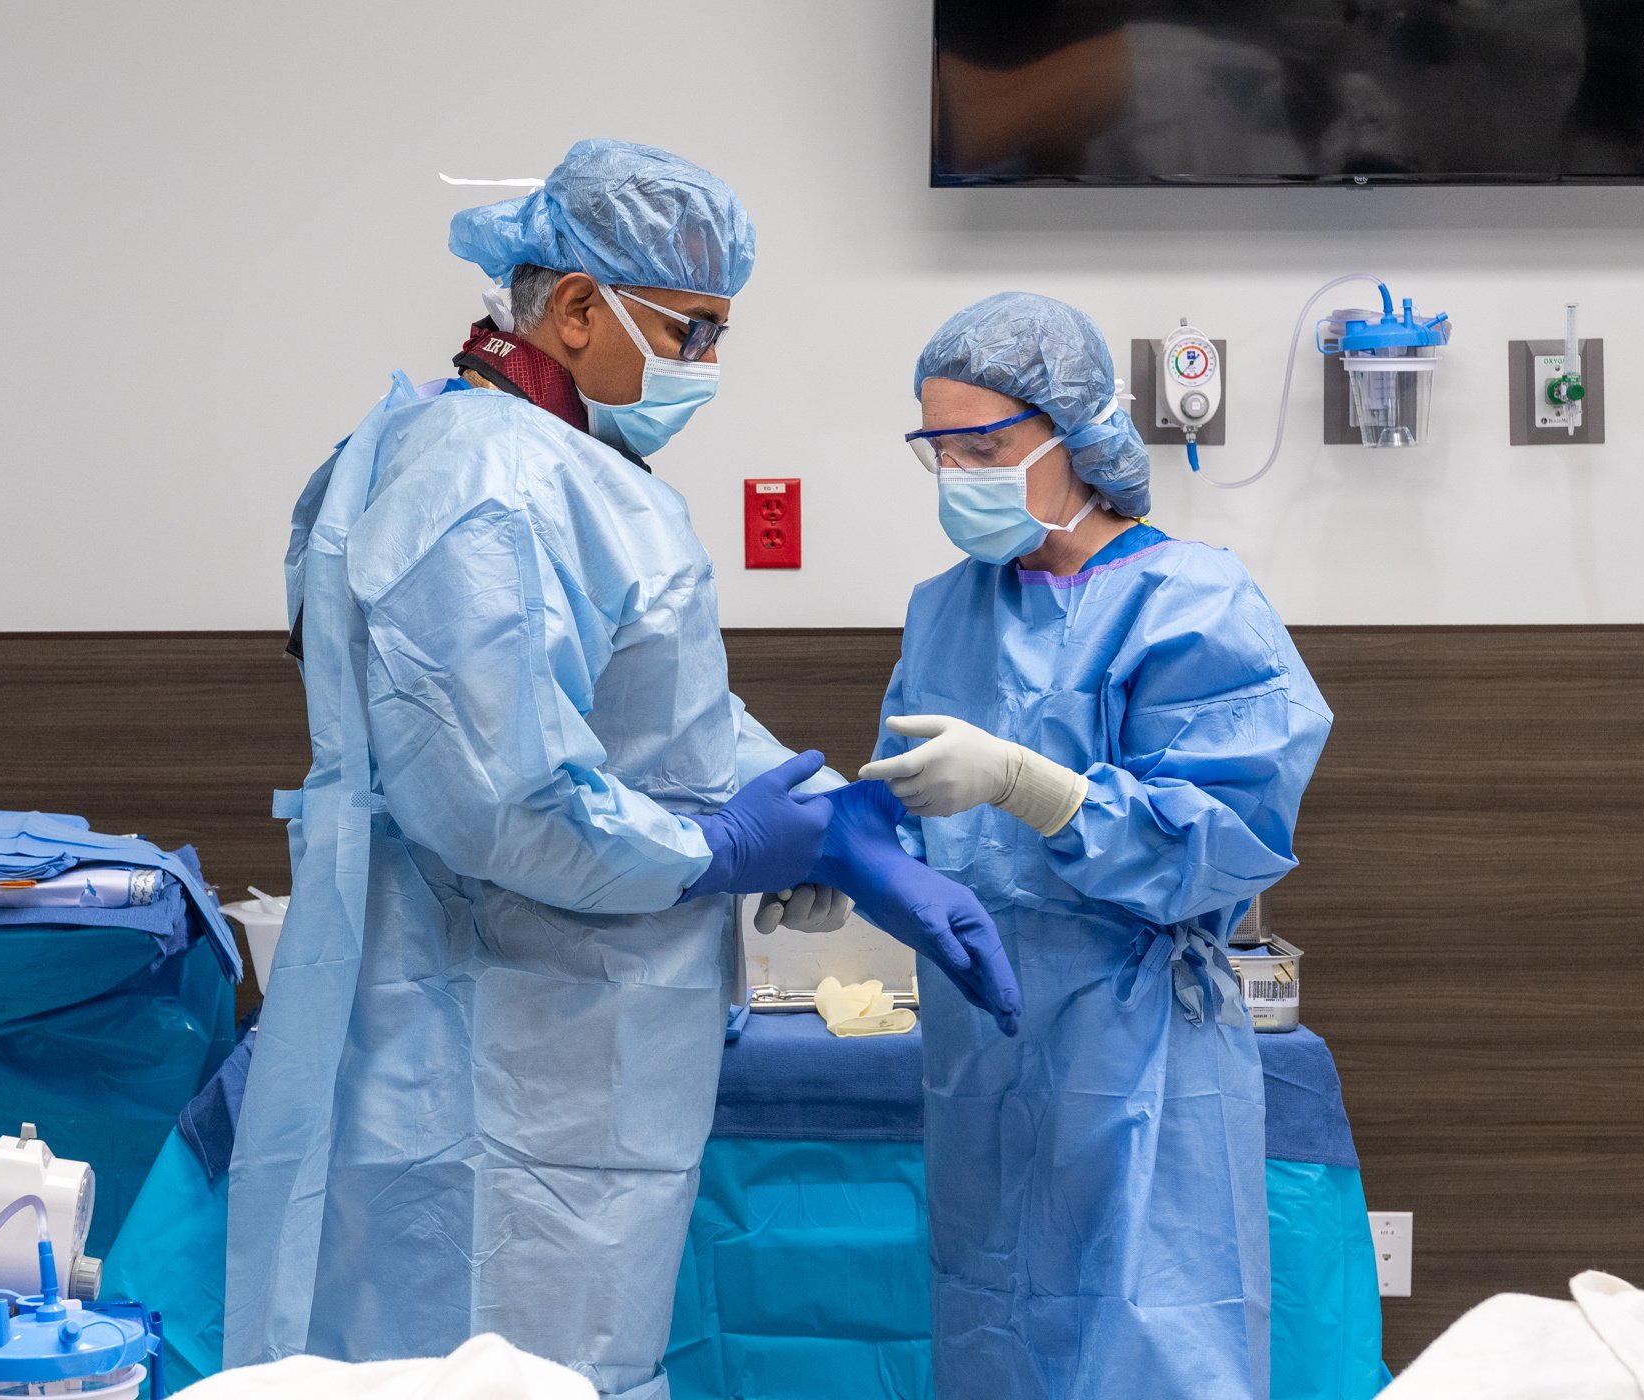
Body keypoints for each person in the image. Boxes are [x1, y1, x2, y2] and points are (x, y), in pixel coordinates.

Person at [226, 139, 1018, 1400]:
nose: (708, 364)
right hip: (495, 1050)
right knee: (489, 1361)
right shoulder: (490, 480)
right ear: (584, 308)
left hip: (558, 1035)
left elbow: (664, 728)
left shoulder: (557, 468)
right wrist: (722, 849)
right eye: (692, 328)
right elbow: (503, 795)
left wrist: (833, 823)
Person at [860, 292, 1333, 1400]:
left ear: (1075, 435)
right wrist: (841, 857)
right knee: (995, 1330)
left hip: (1140, 1056)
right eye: (941, 451)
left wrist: (1035, 785)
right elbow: (911, 796)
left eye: (988, 446)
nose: (961, 475)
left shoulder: (1194, 602)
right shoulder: (944, 609)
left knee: (1153, 1337)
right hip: (983, 1053)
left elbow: (1230, 836)